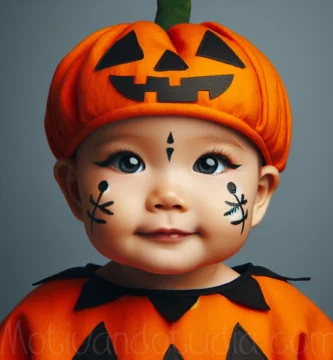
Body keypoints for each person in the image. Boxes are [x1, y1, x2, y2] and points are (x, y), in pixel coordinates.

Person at [1, 0, 332, 359]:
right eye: (127, 162)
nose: (168, 195)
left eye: (210, 163)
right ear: (74, 190)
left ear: (260, 195)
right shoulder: (35, 325)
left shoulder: (294, 326)